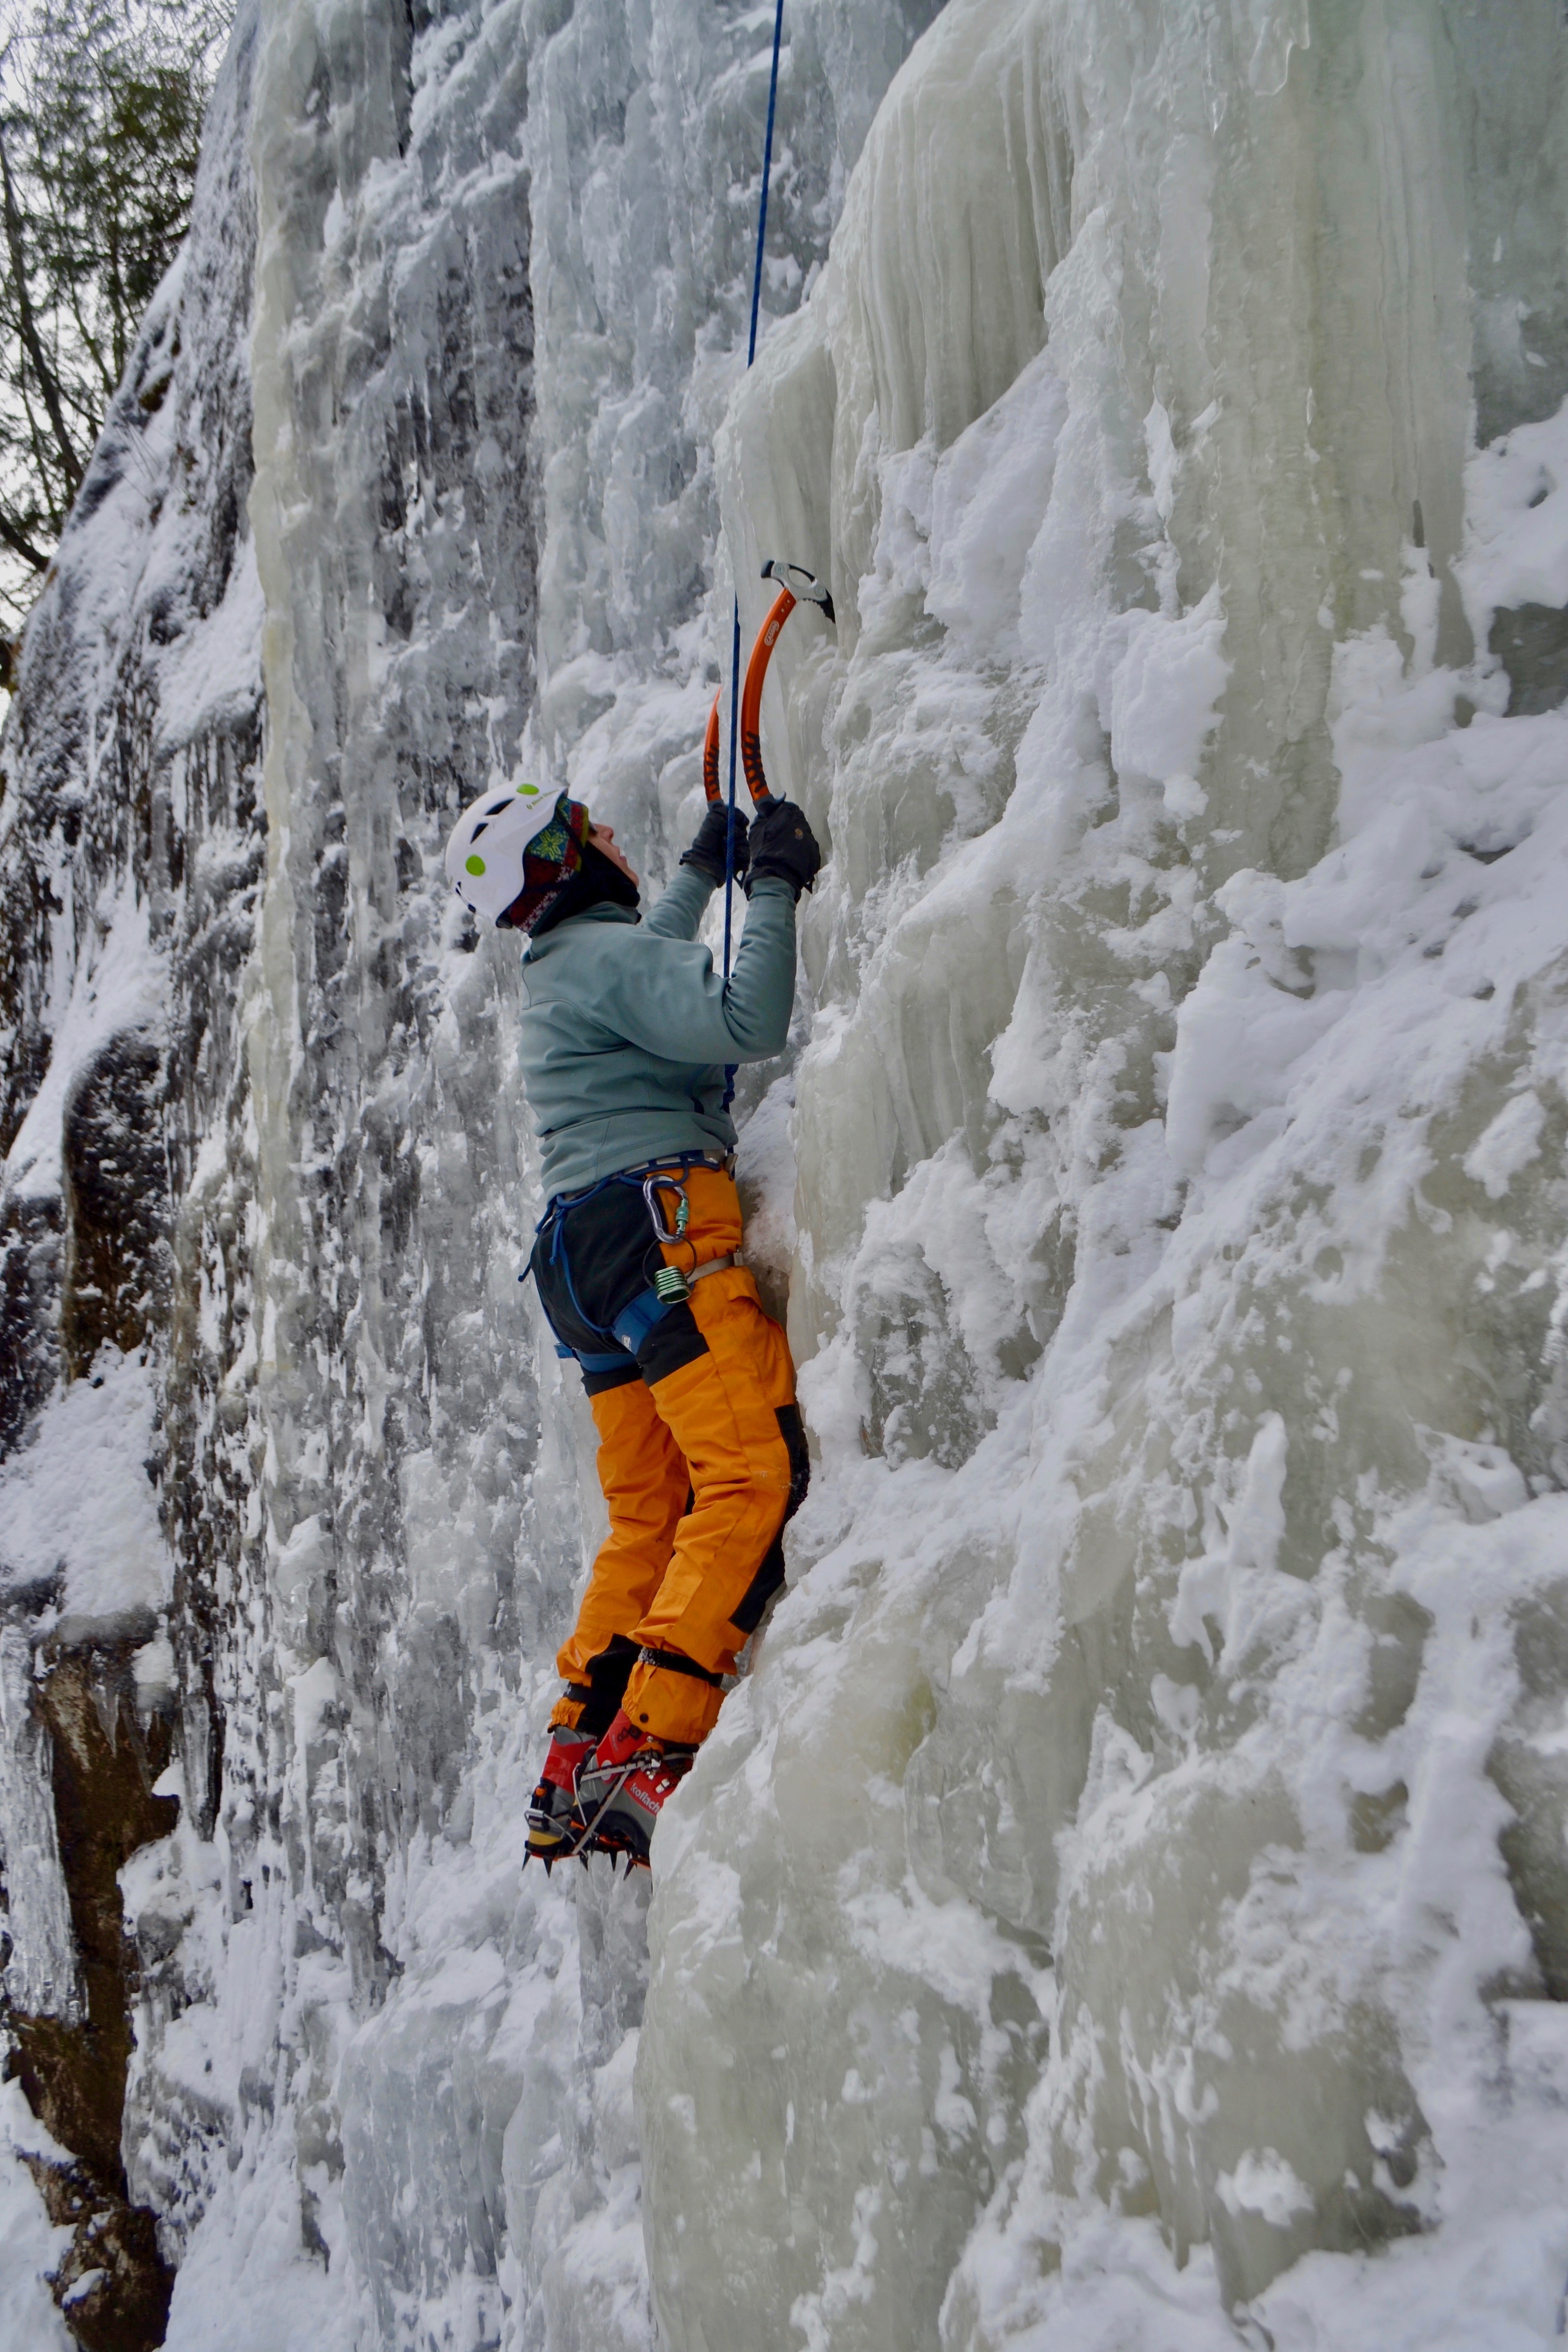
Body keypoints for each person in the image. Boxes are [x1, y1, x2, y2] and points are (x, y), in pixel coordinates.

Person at [444, 777, 823, 1865]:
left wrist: (709, 867)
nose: (611, 834)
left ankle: (576, 1751)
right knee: (752, 1472)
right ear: (563, 860)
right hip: (657, 1232)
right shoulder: (599, 961)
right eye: (587, 827)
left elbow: (643, 961)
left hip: (584, 1258)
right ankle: (649, 1754)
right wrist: (779, 884)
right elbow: (743, 1018)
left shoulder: (571, 964)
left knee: (651, 1510)